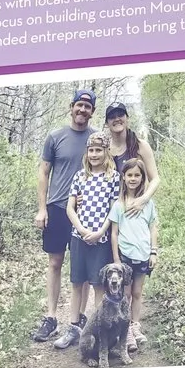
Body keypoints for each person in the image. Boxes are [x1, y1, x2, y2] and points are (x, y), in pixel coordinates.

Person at [32, 87, 98, 346]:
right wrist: (42, 208)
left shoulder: (96, 139)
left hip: (87, 213)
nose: (82, 110)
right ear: (71, 107)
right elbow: (43, 172)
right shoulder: (55, 136)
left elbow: (105, 170)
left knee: (80, 269)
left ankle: (79, 317)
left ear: (92, 112)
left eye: (88, 106)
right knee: (55, 263)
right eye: (78, 105)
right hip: (58, 209)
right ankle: (50, 317)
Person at [64, 132, 124, 312]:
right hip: (78, 237)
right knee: (77, 283)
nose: (94, 154)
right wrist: (81, 230)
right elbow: (70, 208)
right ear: (86, 152)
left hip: (101, 239)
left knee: (98, 284)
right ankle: (74, 325)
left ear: (106, 152)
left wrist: (100, 232)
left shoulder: (113, 177)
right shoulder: (80, 176)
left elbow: (114, 210)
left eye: (99, 150)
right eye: (91, 150)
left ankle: (98, 327)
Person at [114, 153, 158, 355]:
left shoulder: (147, 204)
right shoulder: (119, 204)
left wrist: (153, 252)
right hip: (125, 256)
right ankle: (124, 331)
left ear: (142, 178)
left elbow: (153, 228)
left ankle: (135, 324)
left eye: (137, 175)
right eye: (129, 175)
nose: (133, 178)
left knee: (138, 293)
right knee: (126, 293)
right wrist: (116, 259)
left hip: (143, 254)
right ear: (123, 177)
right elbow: (114, 233)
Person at [103, 101, 158, 193]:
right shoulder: (104, 149)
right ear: (107, 123)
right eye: (112, 117)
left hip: (135, 204)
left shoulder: (141, 146)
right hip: (108, 204)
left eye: (120, 115)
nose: (117, 119)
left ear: (127, 118)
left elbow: (155, 179)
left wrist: (143, 199)